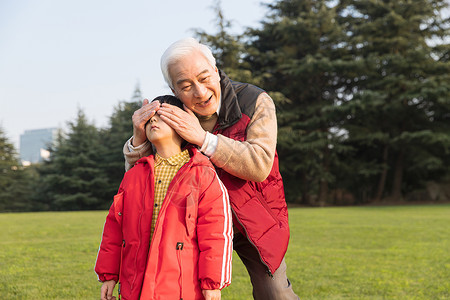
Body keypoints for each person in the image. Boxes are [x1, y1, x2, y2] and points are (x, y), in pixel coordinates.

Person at [123, 38, 299, 300]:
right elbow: (137, 181)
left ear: (216, 71)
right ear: (173, 89)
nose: (200, 92)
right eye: (185, 86)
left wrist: (203, 138)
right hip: (196, 223)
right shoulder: (171, 111)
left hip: (254, 220)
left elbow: (260, 164)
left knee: (274, 294)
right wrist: (138, 140)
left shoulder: (254, 101)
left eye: (205, 78)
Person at [95, 95, 233, 300]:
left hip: (180, 288)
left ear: (183, 122)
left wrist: (212, 283)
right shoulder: (133, 175)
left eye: (161, 115)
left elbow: (216, 233)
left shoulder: (203, 175)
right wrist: (109, 275)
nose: (152, 120)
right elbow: (114, 229)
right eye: (149, 116)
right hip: (136, 287)